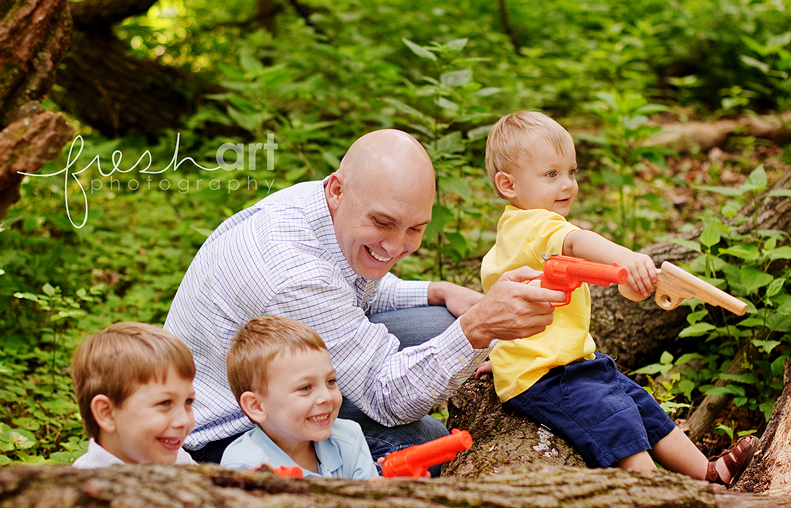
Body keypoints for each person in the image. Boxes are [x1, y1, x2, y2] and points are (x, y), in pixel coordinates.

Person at [165, 129, 564, 467]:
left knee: (440, 320)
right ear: (339, 190)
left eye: (415, 229)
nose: (395, 246)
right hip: (233, 429)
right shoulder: (293, 275)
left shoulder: (321, 204)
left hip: (286, 378)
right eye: (383, 222)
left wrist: (440, 291)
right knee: (428, 440)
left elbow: (353, 289)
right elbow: (387, 398)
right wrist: (478, 329)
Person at [478, 110, 757, 487]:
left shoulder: (515, 232)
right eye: (551, 174)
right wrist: (625, 257)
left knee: (639, 402)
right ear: (508, 185)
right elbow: (578, 240)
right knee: (613, 417)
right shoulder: (537, 226)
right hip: (545, 375)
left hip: (567, 363)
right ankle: (655, 491)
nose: (568, 185)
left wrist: (505, 356)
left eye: (572, 172)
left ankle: (706, 471)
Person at [220, 315, 378, 478]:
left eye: (330, 381)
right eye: (305, 387)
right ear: (257, 406)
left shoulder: (349, 436)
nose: (326, 397)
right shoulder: (244, 468)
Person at [70, 322, 197, 469]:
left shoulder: (181, 461)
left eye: (188, 401)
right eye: (165, 403)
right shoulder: (84, 483)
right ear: (107, 413)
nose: (184, 421)